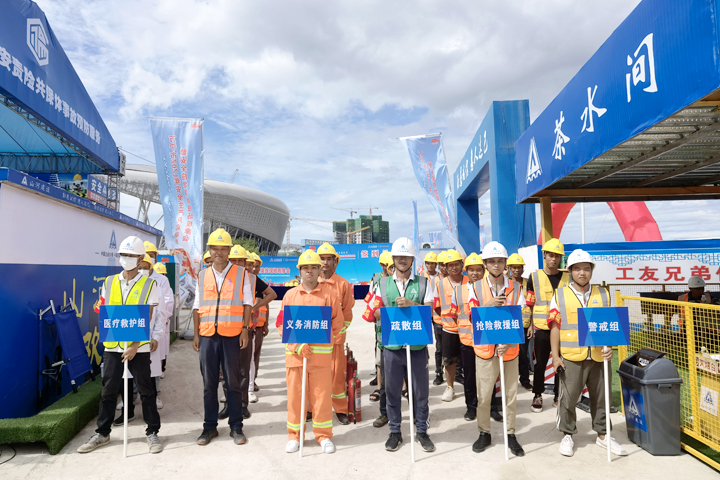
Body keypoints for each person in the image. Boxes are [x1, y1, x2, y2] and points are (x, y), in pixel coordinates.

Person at [78, 236, 164, 454]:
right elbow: (104, 310)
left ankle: (152, 431)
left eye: (131, 255)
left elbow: (147, 316)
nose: (126, 259)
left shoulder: (149, 284)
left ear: (140, 258)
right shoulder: (109, 282)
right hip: (113, 346)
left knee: (146, 390)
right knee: (108, 389)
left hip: (138, 347)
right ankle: (102, 433)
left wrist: (134, 345)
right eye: (123, 255)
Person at [549, 249, 628, 457]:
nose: (582, 273)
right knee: (568, 398)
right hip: (571, 356)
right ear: (570, 271)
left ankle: (603, 435)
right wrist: (555, 357)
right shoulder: (560, 295)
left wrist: (610, 347)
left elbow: (610, 324)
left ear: (592, 270)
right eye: (577, 269)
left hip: (599, 357)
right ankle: (567, 434)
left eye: (586, 268)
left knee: (602, 398)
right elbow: (555, 327)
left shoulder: (603, 293)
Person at [367, 237, 436, 453]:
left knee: (420, 392)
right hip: (392, 347)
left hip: (417, 347)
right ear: (393, 259)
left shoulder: (423, 283)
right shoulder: (382, 284)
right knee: (393, 391)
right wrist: (389, 312)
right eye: (399, 256)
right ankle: (395, 432)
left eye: (406, 257)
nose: (402, 260)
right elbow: (374, 310)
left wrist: (412, 304)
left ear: (412, 259)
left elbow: (430, 311)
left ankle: (422, 431)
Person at [278, 249, 343, 454]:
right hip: (296, 357)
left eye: (313, 267)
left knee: (321, 398)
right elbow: (281, 324)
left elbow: (337, 324)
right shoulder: (290, 296)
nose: (309, 271)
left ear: (318, 270)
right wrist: (296, 346)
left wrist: (321, 338)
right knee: (295, 398)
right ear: (299, 271)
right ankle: (295, 436)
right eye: (305, 268)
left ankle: (323, 436)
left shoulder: (329, 296)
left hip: (320, 358)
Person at [192, 228, 253, 446]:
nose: (219, 252)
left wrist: (245, 329)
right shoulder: (202, 275)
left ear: (229, 250)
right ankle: (209, 427)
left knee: (232, 382)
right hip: (207, 336)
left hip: (231, 335)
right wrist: (197, 334)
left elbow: (248, 303)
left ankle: (236, 426)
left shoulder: (242, 274)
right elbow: (197, 306)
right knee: (209, 384)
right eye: (215, 248)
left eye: (223, 248)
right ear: (209, 250)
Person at [465, 241, 525, 457]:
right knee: (483, 395)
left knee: (510, 395)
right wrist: (488, 305)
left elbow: (521, 318)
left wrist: (508, 341)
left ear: (505, 263)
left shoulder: (516, 288)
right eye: (492, 261)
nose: (496, 265)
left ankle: (511, 433)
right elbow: (471, 316)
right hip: (485, 349)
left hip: (509, 350)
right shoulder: (474, 287)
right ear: (485, 264)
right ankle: (484, 432)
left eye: (500, 261)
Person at [526, 238, 569, 413]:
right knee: (540, 364)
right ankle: (537, 394)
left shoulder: (567, 277)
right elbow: (529, 304)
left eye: (557, 256)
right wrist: (530, 325)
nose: (554, 259)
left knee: (561, 362)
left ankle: (559, 395)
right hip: (542, 328)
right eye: (551, 255)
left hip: (562, 328)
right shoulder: (534, 277)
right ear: (544, 255)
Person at [317, 242, 356, 425]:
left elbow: (347, 312)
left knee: (337, 376)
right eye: (322, 259)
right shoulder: (311, 282)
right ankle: (312, 408)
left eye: (328, 259)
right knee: (314, 374)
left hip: (336, 339)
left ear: (335, 262)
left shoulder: (343, 284)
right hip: (315, 338)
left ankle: (340, 409)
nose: (325, 263)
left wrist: (340, 331)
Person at [362, 252, 394, 424]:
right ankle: (381, 393)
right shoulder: (377, 281)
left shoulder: (405, 282)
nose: (388, 269)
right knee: (381, 361)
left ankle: (404, 388)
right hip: (382, 328)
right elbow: (371, 302)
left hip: (401, 328)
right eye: (387, 266)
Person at [452, 253, 483, 421]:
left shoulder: (489, 290)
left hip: (486, 341)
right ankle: (471, 407)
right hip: (467, 341)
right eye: (471, 270)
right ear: (466, 271)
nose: (475, 273)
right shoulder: (458, 291)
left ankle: (492, 407)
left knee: (488, 377)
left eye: (478, 270)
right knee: (469, 377)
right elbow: (453, 314)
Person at [436, 249, 467, 402]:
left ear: (462, 265)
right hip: (449, 329)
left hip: (468, 329)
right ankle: (450, 387)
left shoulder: (470, 281)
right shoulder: (440, 284)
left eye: (456, 264)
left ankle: (472, 387)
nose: (454, 267)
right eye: (450, 265)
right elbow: (436, 306)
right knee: (449, 361)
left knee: (469, 361)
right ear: (446, 267)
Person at [249, 252, 277, 400]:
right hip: (246, 325)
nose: (254, 268)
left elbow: (266, 305)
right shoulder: (244, 281)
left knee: (255, 355)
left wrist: (265, 324)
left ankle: (252, 381)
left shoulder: (259, 284)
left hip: (258, 325)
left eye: (257, 266)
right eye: (251, 265)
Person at [507, 253, 533, 391]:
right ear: (510, 268)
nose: (516, 270)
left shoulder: (528, 283)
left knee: (523, 354)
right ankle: (509, 381)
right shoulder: (506, 284)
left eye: (519, 267)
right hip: (509, 325)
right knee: (510, 353)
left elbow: (533, 305)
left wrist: (531, 326)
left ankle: (524, 380)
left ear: (523, 268)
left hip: (524, 325)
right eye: (514, 267)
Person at [432, 250, 448, 386]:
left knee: (453, 349)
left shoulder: (457, 280)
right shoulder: (435, 281)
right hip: (439, 320)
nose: (444, 267)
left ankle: (457, 373)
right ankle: (439, 373)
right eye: (441, 264)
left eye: (446, 264)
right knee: (440, 348)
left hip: (454, 321)